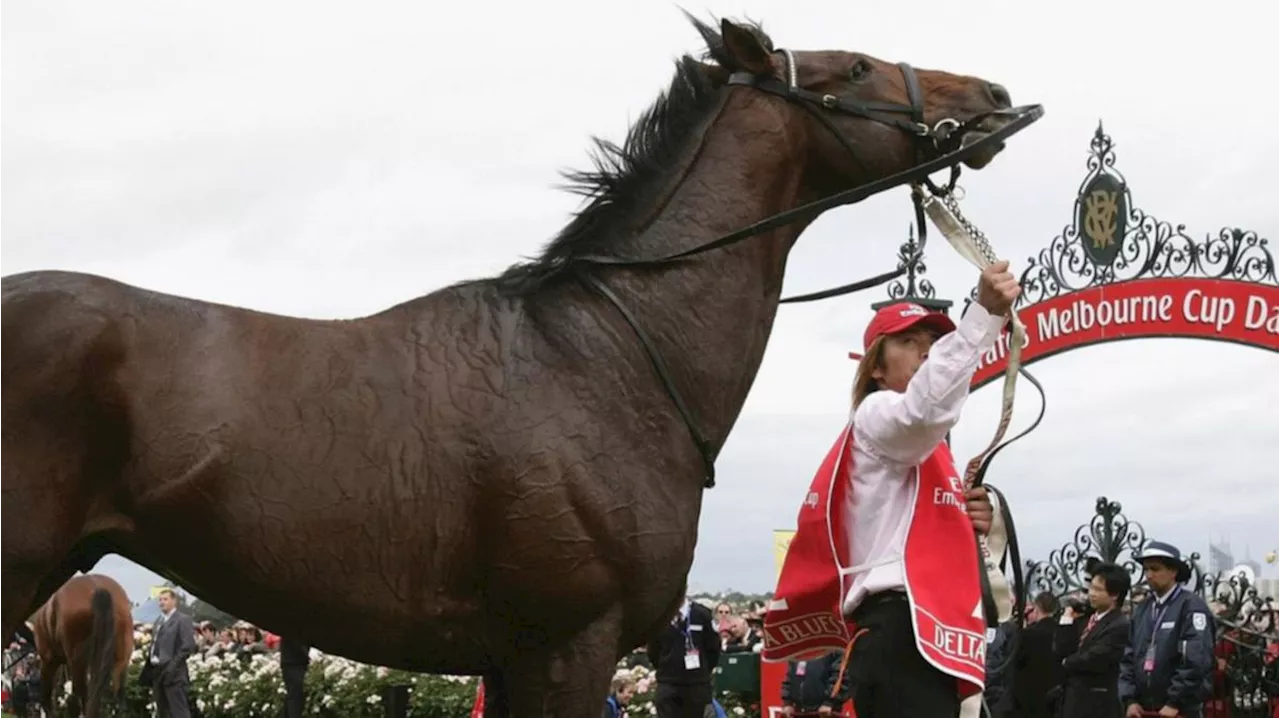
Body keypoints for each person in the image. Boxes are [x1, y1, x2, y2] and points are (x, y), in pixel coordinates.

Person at [763, 261, 1021, 718]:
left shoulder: (923, 450)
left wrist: (970, 522)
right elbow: (923, 411)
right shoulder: (878, 412)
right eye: (908, 342)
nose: (925, 352)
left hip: (920, 626)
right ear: (875, 368)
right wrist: (981, 316)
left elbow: (914, 528)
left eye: (932, 344)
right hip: (899, 626)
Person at [1119, 541, 1215, 718]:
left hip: (1178, 711)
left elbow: (1196, 659)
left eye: (1155, 569)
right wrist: (1130, 699)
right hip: (1144, 710)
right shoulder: (1142, 609)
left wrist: (1174, 702)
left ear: (1173, 572)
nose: (1148, 575)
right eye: (1146, 569)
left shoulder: (1191, 606)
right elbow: (1128, 656)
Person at [1054, 562, 1131, 718]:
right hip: (1071, 702)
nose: (1091, 594)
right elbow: (1061, 650)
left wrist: (1066, 662)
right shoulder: (1085, 620)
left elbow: (1093, 659)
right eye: (1091, 588)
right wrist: (1066, 619)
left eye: (1098, 589)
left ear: (1115, 594)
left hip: (1097, 705)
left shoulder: (1120, 625)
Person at [647, 597, 720, 718]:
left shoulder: (702, 614)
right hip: (668, 686)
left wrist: (701, 671)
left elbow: (713, 649)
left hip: (696, 686)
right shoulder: (660, 615)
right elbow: (653, 651)